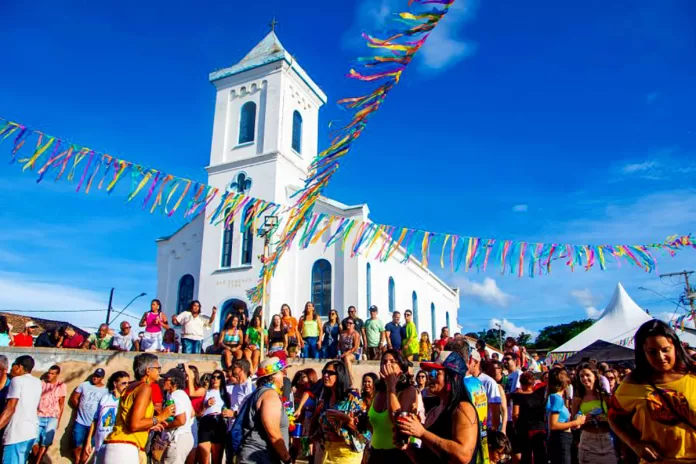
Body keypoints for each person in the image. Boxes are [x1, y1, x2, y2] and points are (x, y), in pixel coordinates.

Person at [609, 319, 696, 463]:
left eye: (665, 350)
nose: (660, 357)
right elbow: (613, 418)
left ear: (675, 346)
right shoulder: (633, 383)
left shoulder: (693, 373)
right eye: (652, 352)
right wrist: (634, 445)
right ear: (643, 352)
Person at [396, 351, 480, 464]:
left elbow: (463, 455)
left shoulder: (463, 408)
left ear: (452, 377)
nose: (430, 376)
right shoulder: (434, 411)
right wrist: (408, 448)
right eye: (430, 372)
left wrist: (422, 433)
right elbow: (427, 458)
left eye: (436, 373)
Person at [102, 353, 175, 463]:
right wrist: (160, 417)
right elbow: (135, 425)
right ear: (148, 370)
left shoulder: (130, 387)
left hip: (116, 444)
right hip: (125, 447)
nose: (159, 371)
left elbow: (128, 419)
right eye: (158, 368)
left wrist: (151, 425)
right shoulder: (144, 388)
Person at [309, 361, 370, 463]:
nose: (326, 375)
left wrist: (346, 420)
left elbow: (365, 433)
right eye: (324, 372)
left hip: (347, 453)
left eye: (330, 373)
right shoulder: (324, 399)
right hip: (328, 451)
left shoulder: (352, 398)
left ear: (340, 375)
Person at [235, 357, 292, 464]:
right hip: (259, 458)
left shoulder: (259, 393)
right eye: (282, 372)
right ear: (273, 376)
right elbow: (273, 433)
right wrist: (286, 457)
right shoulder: (269, 395)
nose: (284, 376)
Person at [367, 349, 419, 462]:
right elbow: (374, 426)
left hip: (398, 454)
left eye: (392, 362)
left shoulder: (409, 390)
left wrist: (391, 387)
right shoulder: (379, 392)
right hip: (376, 453)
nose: (387, 365)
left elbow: (398, 422)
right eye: (384, 362)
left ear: (401, 368)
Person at [447, 340, 489, 464]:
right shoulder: (478, 383)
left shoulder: (457, 385)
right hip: (481, 446)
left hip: (464, 448)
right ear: (470, 360)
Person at [570, 362, 615, 464]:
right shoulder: (578, 398)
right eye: (581, 376)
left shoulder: (604, 396)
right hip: (587, 440)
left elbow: (615, 418)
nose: (585, 379)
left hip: (606, 440)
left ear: (595, 376)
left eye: (587, 375)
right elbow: (573, 423)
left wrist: (606, 419)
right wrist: (583, 420)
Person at [0, 356, 41, 464]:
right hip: (30, 433)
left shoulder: (16, 380)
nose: (11, 369)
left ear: (19, 367)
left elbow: (10, 409)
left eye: (13, 365)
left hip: (16, 434)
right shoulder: (37, 382)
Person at [84, 371, 130, 460]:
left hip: (115, 445)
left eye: (128, 383)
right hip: (99, 444)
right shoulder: (105, 398)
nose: (127, 385)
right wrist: (89, 441)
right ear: (115, 383)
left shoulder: (127, 400)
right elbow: (95, 420)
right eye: (124, 383)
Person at [546, 367, 585, 464]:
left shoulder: (556, 397)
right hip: (561, 438)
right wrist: (575, 422)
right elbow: (553, 425)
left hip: (563, 437)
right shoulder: (557, 398)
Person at [70, 368, 108, 463]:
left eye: (98, 376)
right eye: (95, 375)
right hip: (80, 420)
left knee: (90, 445)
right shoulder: (84, 385)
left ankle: (82, 462)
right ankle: (77, 459)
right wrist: (79, 408)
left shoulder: (106, 390)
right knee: (76, 442)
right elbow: (74, 397)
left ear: (102, 378)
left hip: (94, 423)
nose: (95, 378)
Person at [34, 365, 67, 464]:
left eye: (52, 373)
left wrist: (59, 420)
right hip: (39, 415)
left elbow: (61, 404)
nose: (49, 375)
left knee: (46, 442)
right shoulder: (41, 384)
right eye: (49, 373)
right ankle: (40, 461)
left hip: (52, 417)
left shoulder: (61, 385)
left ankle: (38, 462)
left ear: (57, 375)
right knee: (33, 440)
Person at [161, 368, 195, 464]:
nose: (163, 381)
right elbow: (192, 413)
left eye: (167, 379)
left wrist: (163, 425)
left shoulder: (175, 395)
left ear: (175, 383)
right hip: (184, 437)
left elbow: (181, 420)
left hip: (178, 438)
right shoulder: (182, 394)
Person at [511, 371, 546, 464]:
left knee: (526, 455)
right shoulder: (539, 395)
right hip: (540, 428)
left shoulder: (518, 396)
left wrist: (515, 425)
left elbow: (515, 414)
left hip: (524, 428)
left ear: (521, 383)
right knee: (540, 454)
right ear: (533, 383)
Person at [197, 370, 229, 464]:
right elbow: (199, 412)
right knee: (204, 458)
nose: (215, 379)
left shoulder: (226, 393)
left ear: (222, 380)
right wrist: (206, 405)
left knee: (216, 459)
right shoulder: (205, 392)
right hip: (206, 421)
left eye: (218, 377)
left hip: (219, 422)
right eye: (213, 377)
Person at [502, 351, 522, 441]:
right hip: (508, 413)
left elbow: (518, 390)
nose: (505, 361)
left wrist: (505, 397)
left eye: (508, 359)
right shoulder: (507, 376)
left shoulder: (518, 374)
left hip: (515, 413)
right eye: (504, 359)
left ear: (515, 361)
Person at [485, 360, 508, 433]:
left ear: (500, 369)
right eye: (489, 368)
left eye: (493, 368)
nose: (490, 371)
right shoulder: (483, 383)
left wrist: (503, 429)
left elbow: (504, 409)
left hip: (496, 426)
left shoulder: (498, 387)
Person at [338, 318, 361, 384]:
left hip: (353, 353)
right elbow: (339, 345)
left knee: (347, 358)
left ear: (353, 325)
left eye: (350, 323)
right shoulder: (342, 333)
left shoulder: (355, 334)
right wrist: (339, 353)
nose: (348, 324)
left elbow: (355, 347)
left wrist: (346, 353)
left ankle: (350, 379)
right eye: (347, 323)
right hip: (342, 353)